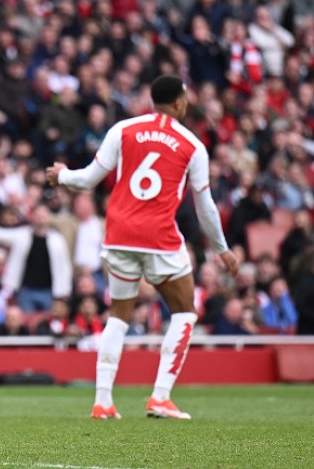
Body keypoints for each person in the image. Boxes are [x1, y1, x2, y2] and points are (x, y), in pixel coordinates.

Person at [46, 75, 239, 420]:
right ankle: (160, 396)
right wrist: (222, 249)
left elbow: (89, 178)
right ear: (179, 103)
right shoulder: (192, 145)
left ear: (152, 100)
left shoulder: (123, 129)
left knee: (118, 316)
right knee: (184, 312)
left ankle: (103, 402)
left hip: (119, 235)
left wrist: (61, 175)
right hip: (159, 238)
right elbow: (205, 206)